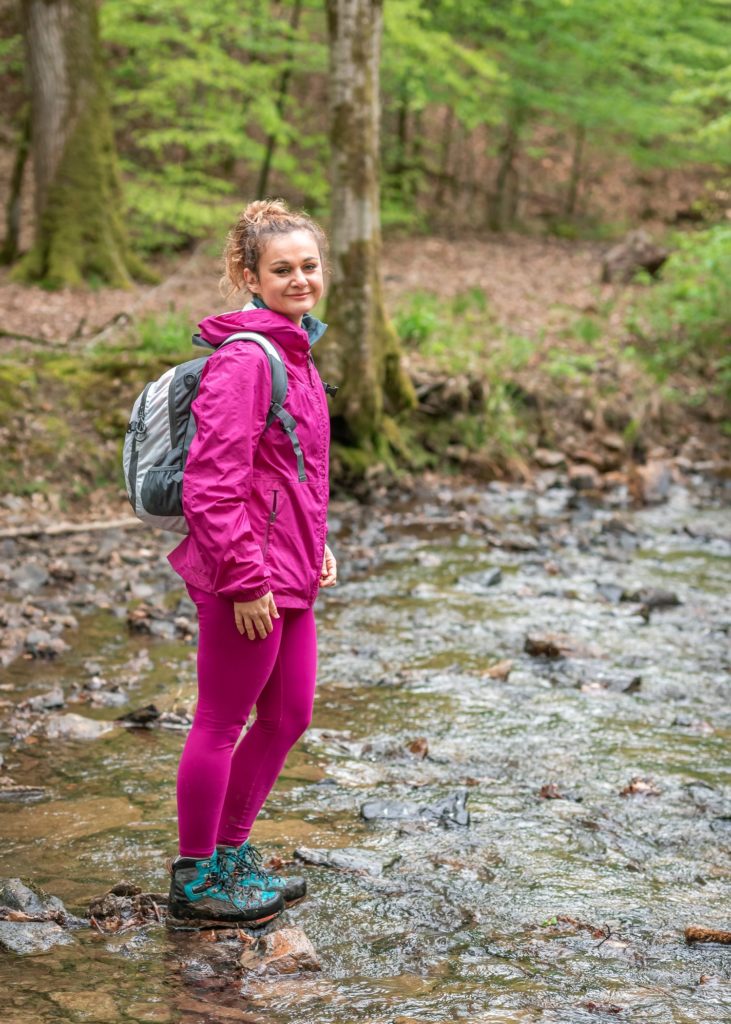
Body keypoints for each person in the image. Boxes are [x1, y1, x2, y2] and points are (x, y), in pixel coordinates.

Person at [165, 199, 337, 929]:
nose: (299, 279)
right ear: (249, 275)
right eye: (282, 269)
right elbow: (211, 482)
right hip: (246, 576)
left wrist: (315, 541)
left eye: (308, 266)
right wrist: (242, 580)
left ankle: (231, 855)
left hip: (287, 566)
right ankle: (195, 877)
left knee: (289, 714)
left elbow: (290, 471)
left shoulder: (297, 352)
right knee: (220, 720)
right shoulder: (244, 360)